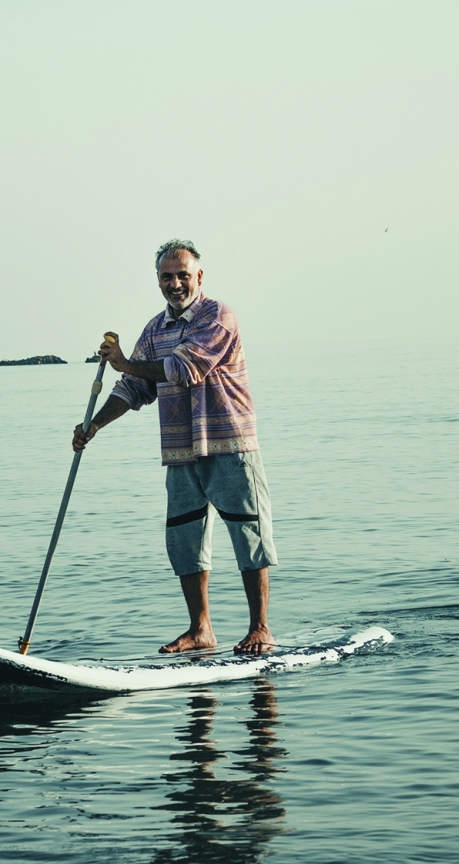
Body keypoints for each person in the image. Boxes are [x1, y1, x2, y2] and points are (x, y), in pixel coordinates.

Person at [73, 241, 277, 655]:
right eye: (167, 276)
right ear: (158, 281)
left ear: (198, 277)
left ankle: (260, 628)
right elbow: (134, 387)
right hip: (181, 452)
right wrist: (93, 425)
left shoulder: (219, 316)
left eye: (183, 274)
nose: (176, 283)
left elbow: (184, 370)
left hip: (230, 445)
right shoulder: (154, 329)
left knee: (248, 534)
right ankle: (200, 629)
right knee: (184, 541)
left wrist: (125, 361)